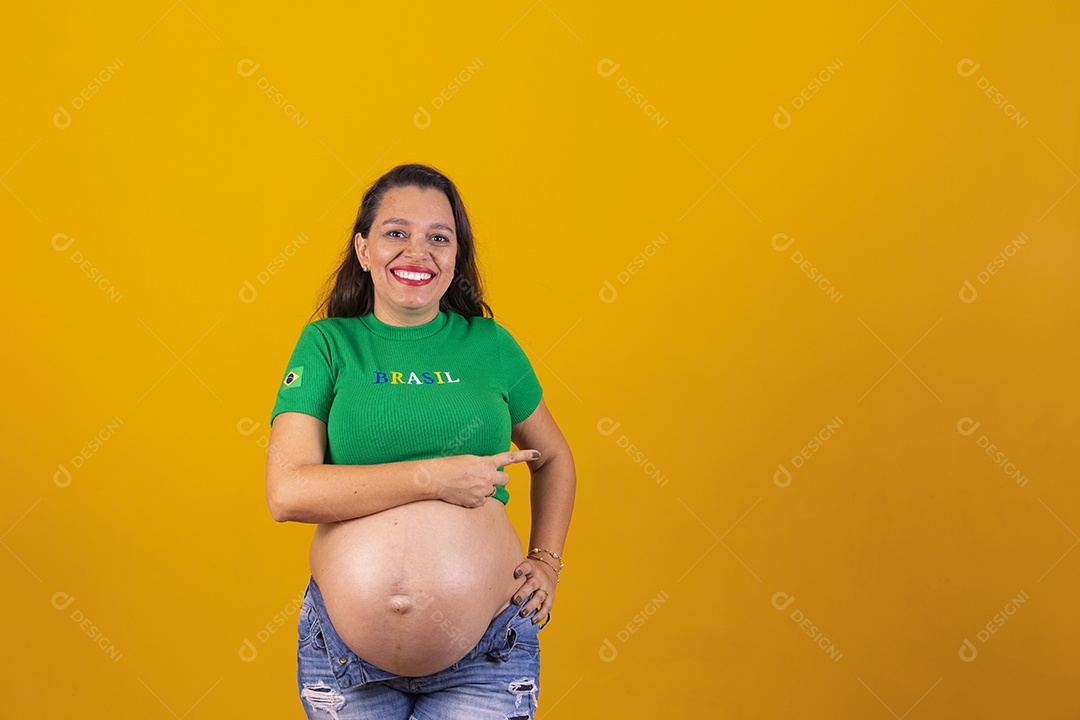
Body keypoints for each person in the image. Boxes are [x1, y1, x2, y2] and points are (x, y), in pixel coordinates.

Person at [265, 163, 576, 719]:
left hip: (487, 650)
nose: (418, 251)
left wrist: (547, 560)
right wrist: (435, 477)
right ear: (363, 249)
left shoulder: (491, 345)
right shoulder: (327, 345)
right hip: (344, 659)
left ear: (455, 257)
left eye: (439, 237)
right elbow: (287, 492)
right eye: (396, 233)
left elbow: (552, 455)